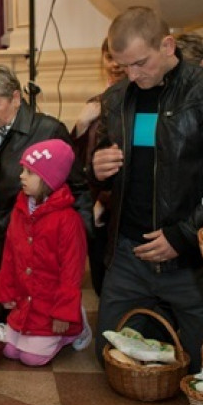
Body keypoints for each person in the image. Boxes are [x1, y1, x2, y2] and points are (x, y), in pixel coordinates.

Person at [89, 7, 203, 372]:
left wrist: (182, 236)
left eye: (140, 63)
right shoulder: (116, 98)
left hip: (188, 260)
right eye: (123, 66)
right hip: (129, 253)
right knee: (111, 357)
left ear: (168, 45)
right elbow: (99, 164)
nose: (132, 74)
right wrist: (97, 168)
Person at [0, 64, 91, 321]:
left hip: (35, 242)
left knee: (33, 313)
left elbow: (78, 186)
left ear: (15, 98)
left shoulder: (48, 130)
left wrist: (82, 235)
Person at [0, 138, 91, 366]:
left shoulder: (68, 220)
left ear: (49, 179)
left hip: (51, 306)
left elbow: (72, 271)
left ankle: (73, 328)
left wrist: (63, 313)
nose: (21, 176)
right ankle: (41, 335)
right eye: (23, 169)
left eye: (30, 172)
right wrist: (7, 292)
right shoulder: (19, 212)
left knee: (32, 359)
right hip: (25, 301)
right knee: (8, 350)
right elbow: (9, 255)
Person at [70, 39, 126, 295]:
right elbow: (77, 161)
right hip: (95, 208)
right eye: (108, 57)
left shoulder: (134, 101)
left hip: (121, 207)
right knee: (101, 283)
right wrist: (81, 126)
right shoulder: (95, 103)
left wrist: (106, 200)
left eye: (118, 58)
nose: (114, 64)